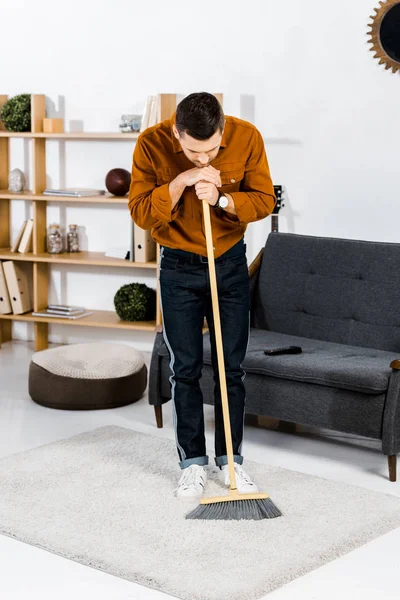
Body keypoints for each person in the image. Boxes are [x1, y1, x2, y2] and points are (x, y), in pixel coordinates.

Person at [129, 92, 275, 501]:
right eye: (194, 151)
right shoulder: (151, 143)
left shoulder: (247, 138)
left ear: (223, 129)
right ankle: (192, 464)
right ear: (177, 134)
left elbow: (264, 200)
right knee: (185, 368)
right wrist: (180, 183)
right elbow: (140, 211)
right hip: (176, 266)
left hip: (228, 264)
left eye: (212, 150)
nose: (204, 159)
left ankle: (231, 461)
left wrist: (223, 198)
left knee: (232, 368)